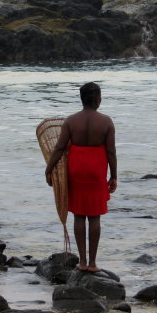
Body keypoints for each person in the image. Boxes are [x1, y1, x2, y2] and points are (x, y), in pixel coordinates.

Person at [45, 82, 117, 272]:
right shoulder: (106, 122)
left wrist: (49, 168)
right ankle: (93, 263)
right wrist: (114, 176)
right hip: (96, 170)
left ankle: (82, 261)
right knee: (94, 216)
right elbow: (111, 152)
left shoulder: (71, 121)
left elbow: (59, 148)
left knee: (79, 214)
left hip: (76, 169)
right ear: (98, 99)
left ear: (82, 99)